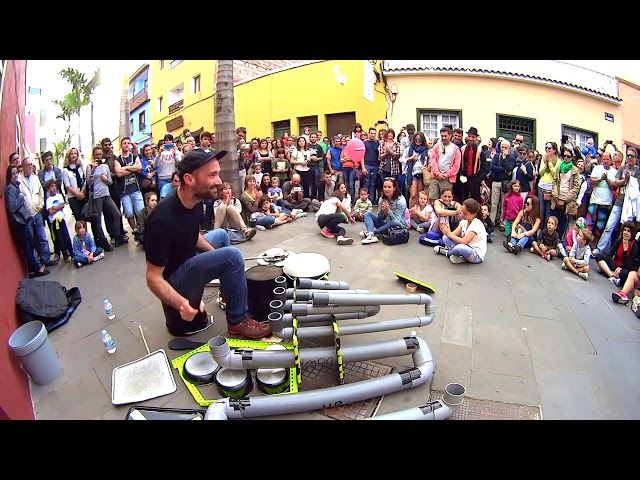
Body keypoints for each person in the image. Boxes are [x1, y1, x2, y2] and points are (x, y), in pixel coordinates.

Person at [144, 148, 272, 339]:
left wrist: (217, 261)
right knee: (233, 256)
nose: (219, 181)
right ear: (189, 179)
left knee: (221, 236)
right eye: (212, 175)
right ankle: (238, 321)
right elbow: (153, 277)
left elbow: (193, 236)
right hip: (175, 278)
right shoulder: (162, 218)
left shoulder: (193, 199)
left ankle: (229, 293)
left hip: (189, 258)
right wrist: (181, 304)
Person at [6, 164, 49, 277]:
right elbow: (11, 206)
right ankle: (37, 269)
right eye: (13, 174)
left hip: (24, 219)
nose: (15, 175)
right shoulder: (11, 188)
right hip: (20, 223)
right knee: (28, 247)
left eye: (16, 173)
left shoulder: (16, 185)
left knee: (31, 244)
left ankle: (36, 266)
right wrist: (21, 198)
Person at [433, 198, 487, 264]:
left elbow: (464, 241)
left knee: (460, 247)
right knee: (445, 237)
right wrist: (446, 232)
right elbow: (453, 234)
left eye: (465, 213)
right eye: (462, 212)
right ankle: (460, 256)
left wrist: (449, 233)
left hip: (475, 254)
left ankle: (447, 252)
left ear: (473, 214)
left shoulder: (477, 224)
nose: (462, 215)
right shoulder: (464, 221)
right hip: (466, 246)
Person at [360, 177, 408, 244]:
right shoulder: (382, 199)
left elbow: (397, 220)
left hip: (399, 226)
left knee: (395, 222)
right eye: (385, 187)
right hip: (386, 224)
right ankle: (371, 235)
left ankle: (372, 233)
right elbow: (379, 219)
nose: (386, 189)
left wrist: (388, 211)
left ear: (394, 188)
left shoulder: (401, 200)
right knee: (367, 213)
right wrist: (382, 212)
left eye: (389, 187)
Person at [594, 221, 638, 288]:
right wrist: (615, 268)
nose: (625, 232)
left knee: (625, 273)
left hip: (623, 269)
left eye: (628, 231)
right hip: (615, 265)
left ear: (632, 234)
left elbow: (628, 265)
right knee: (599, 256)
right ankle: (612, 275)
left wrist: (625, 251)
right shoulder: (619, 240)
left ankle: (606, 270)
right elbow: (609, 255)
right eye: (624, 230)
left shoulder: (634, 247)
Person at [45, 181, 73, 263]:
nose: (54, 188)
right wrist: (57, 208)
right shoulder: (48, 200)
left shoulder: (59, 196)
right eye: (51, 186)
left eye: (55, 186)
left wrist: (54, 207)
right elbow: (50, 212)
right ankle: (65, 255)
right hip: (54, 222)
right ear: (48, 189)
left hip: (61, 219)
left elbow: (62, 205)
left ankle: (72, 253)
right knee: (60, 239)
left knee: (66, 237)